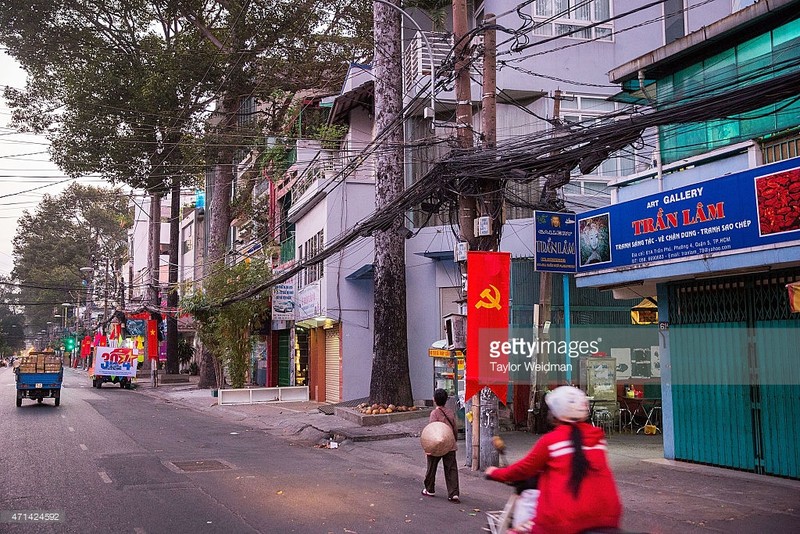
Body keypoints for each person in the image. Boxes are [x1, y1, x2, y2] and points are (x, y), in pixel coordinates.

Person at [485, 386, 622, 534]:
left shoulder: (551, 441)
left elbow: (523, 469)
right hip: (609, 516)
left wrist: (494, 472)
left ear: (555, 414)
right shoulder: (598, 438)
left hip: (563, 521)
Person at [422, 388, 460, 503]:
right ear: (446, 400)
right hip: (449, 442)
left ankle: (429, 489)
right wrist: (454, 441)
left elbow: (432, 429)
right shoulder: (450, 412)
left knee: (431, 467)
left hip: (436, 444)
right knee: (451, 468)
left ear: (434, 400)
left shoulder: (434, 413)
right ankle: (453, 493)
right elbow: (455, 428)